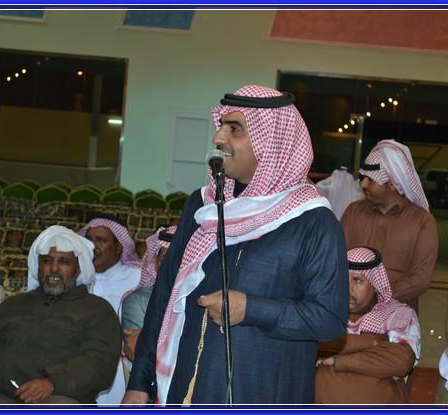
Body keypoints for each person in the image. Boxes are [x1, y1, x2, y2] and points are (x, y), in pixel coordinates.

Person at [123, 85, 348, 405]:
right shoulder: (203, 205)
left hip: (261, 391)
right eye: (221, 126)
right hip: (185, 385)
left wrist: (252, 309)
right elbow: (164, 294)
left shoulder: (313, 222)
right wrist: (140, 381)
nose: (218, 138)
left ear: (271, 142)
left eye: (235, 129)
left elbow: (328, 320)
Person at [0, 225, 121, 404]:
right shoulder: (13, 304)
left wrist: (52, 382)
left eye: (64, 262)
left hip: (59, 396)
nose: (53, 268)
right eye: (46, 261)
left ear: (78, 269)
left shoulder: (99, 310)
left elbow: (100, 363)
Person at [341, 140, 438, 313]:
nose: (363, 185)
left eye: (371, 180)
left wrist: (374, 298)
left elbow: (420, 279)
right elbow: (335, 258)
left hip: (397, 316)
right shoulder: (353, 212)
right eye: (363, 178)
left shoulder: (422, 221)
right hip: (349, 312)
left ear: (393, 183)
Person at [315, 247, 420, 404]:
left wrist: (336, 360)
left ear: (376, 284)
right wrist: (375, 342)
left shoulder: (398, 314)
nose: (348, 290)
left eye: (357, 281)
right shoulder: (321, 309)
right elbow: (312, 346)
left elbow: (402, 360)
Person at [79, 214, 143, 404]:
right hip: (78, 366)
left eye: (101, 240)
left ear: (119, 247)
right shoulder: (75, 276)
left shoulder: (138, 277)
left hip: (121, 371)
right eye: (89, 239)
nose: (92, 246)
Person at [122, 226, 177, 364]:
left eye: (178, 260)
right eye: (164, 259)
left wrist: (151, 337)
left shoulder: (201, 301)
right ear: (156, 263)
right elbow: (140, 351)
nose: (170, 266)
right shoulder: (137, 301)